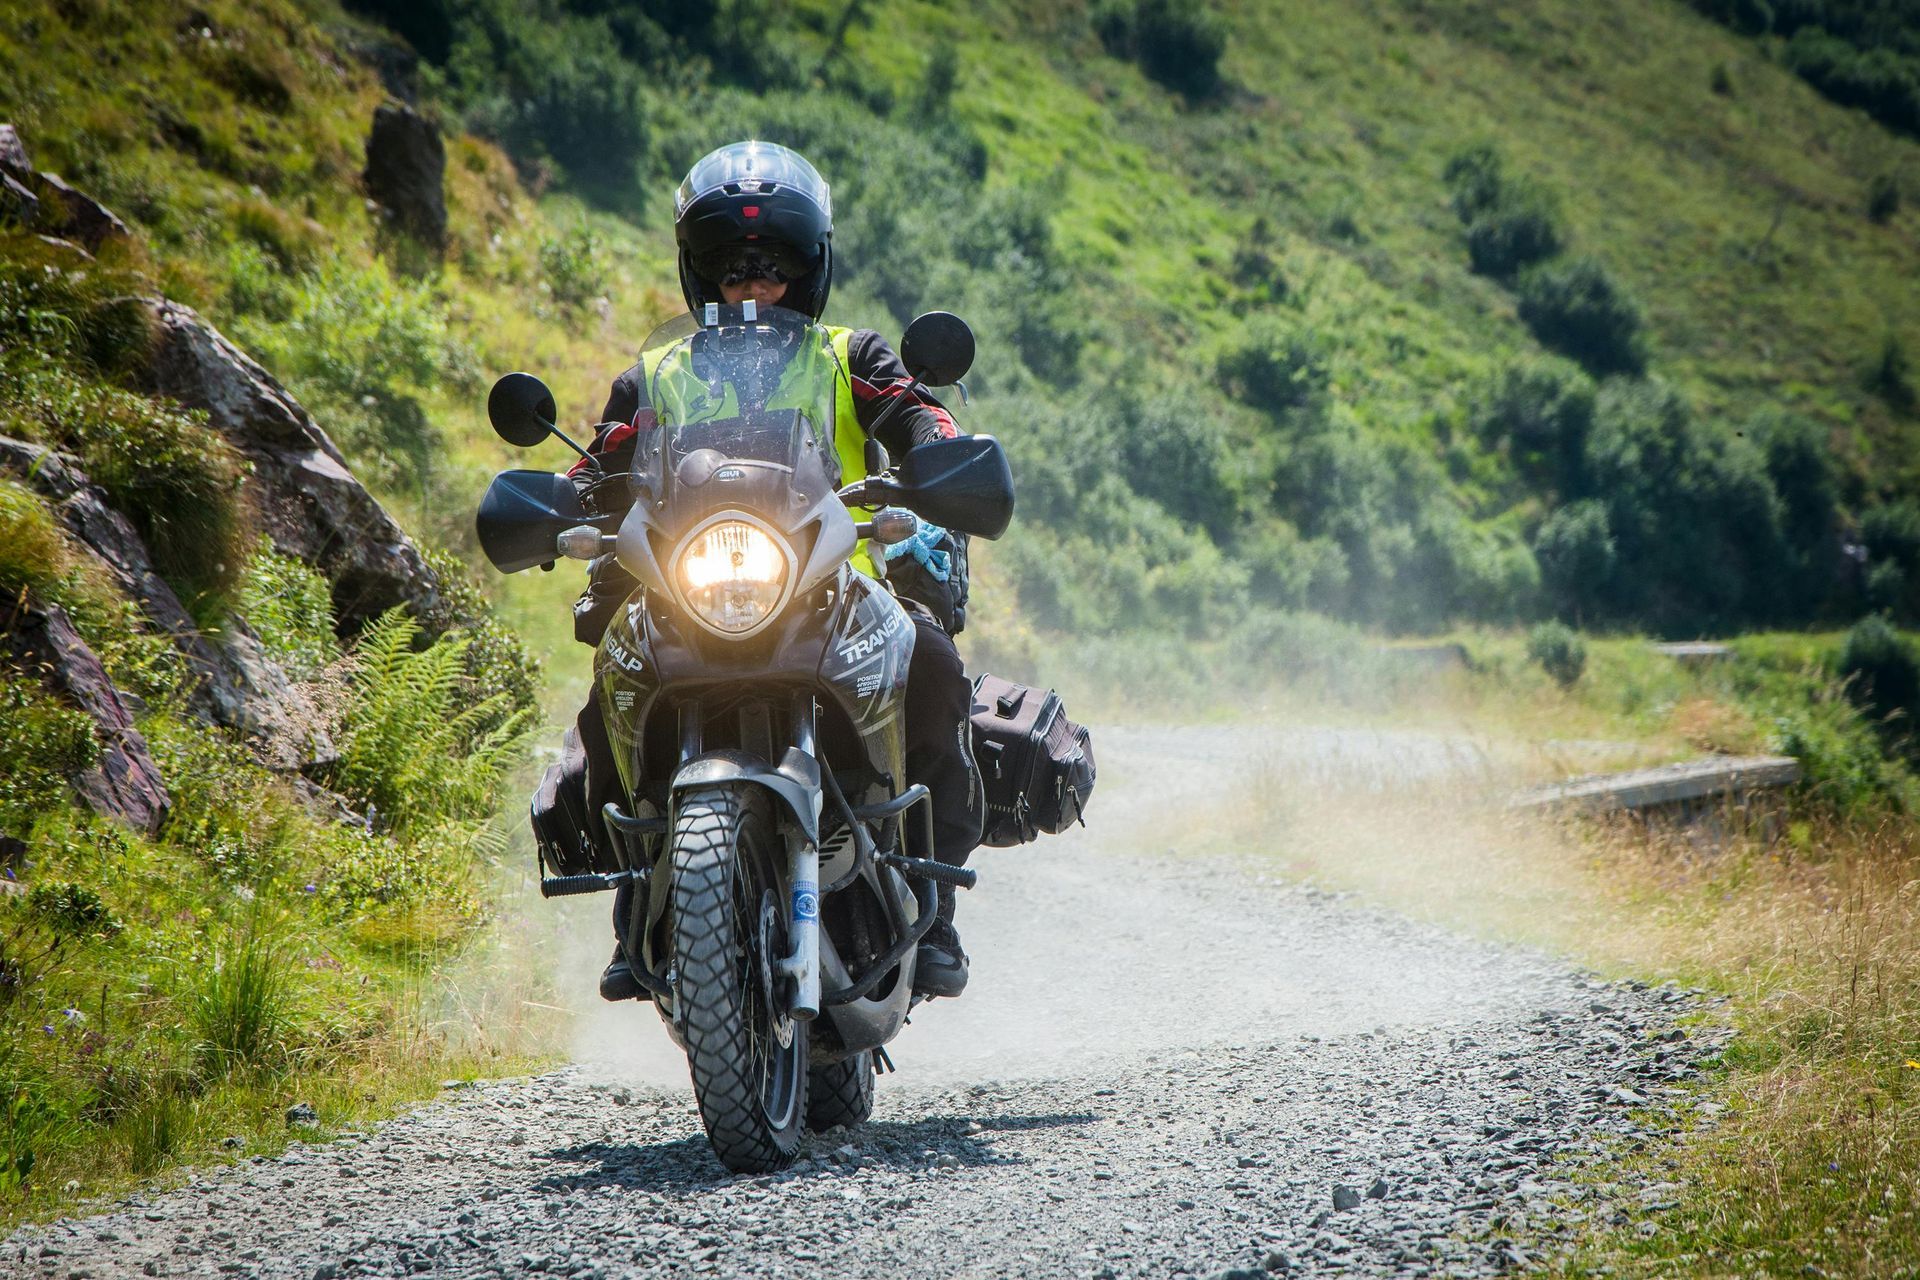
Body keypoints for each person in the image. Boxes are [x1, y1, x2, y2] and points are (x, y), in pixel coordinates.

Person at [569, 141, 984, 1003]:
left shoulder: (849, 355)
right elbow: (598, 467)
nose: (753, 286)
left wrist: (938, 451)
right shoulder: (653, 376)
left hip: (839, 588)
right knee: (605, 694)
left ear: (810, 269)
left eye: (775, 267)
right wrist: (558, 502)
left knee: (938, 669)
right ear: (701, 274)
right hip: (691, 594)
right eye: (731, 268)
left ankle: (934, 905)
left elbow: (915, 412)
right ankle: (636, 899)